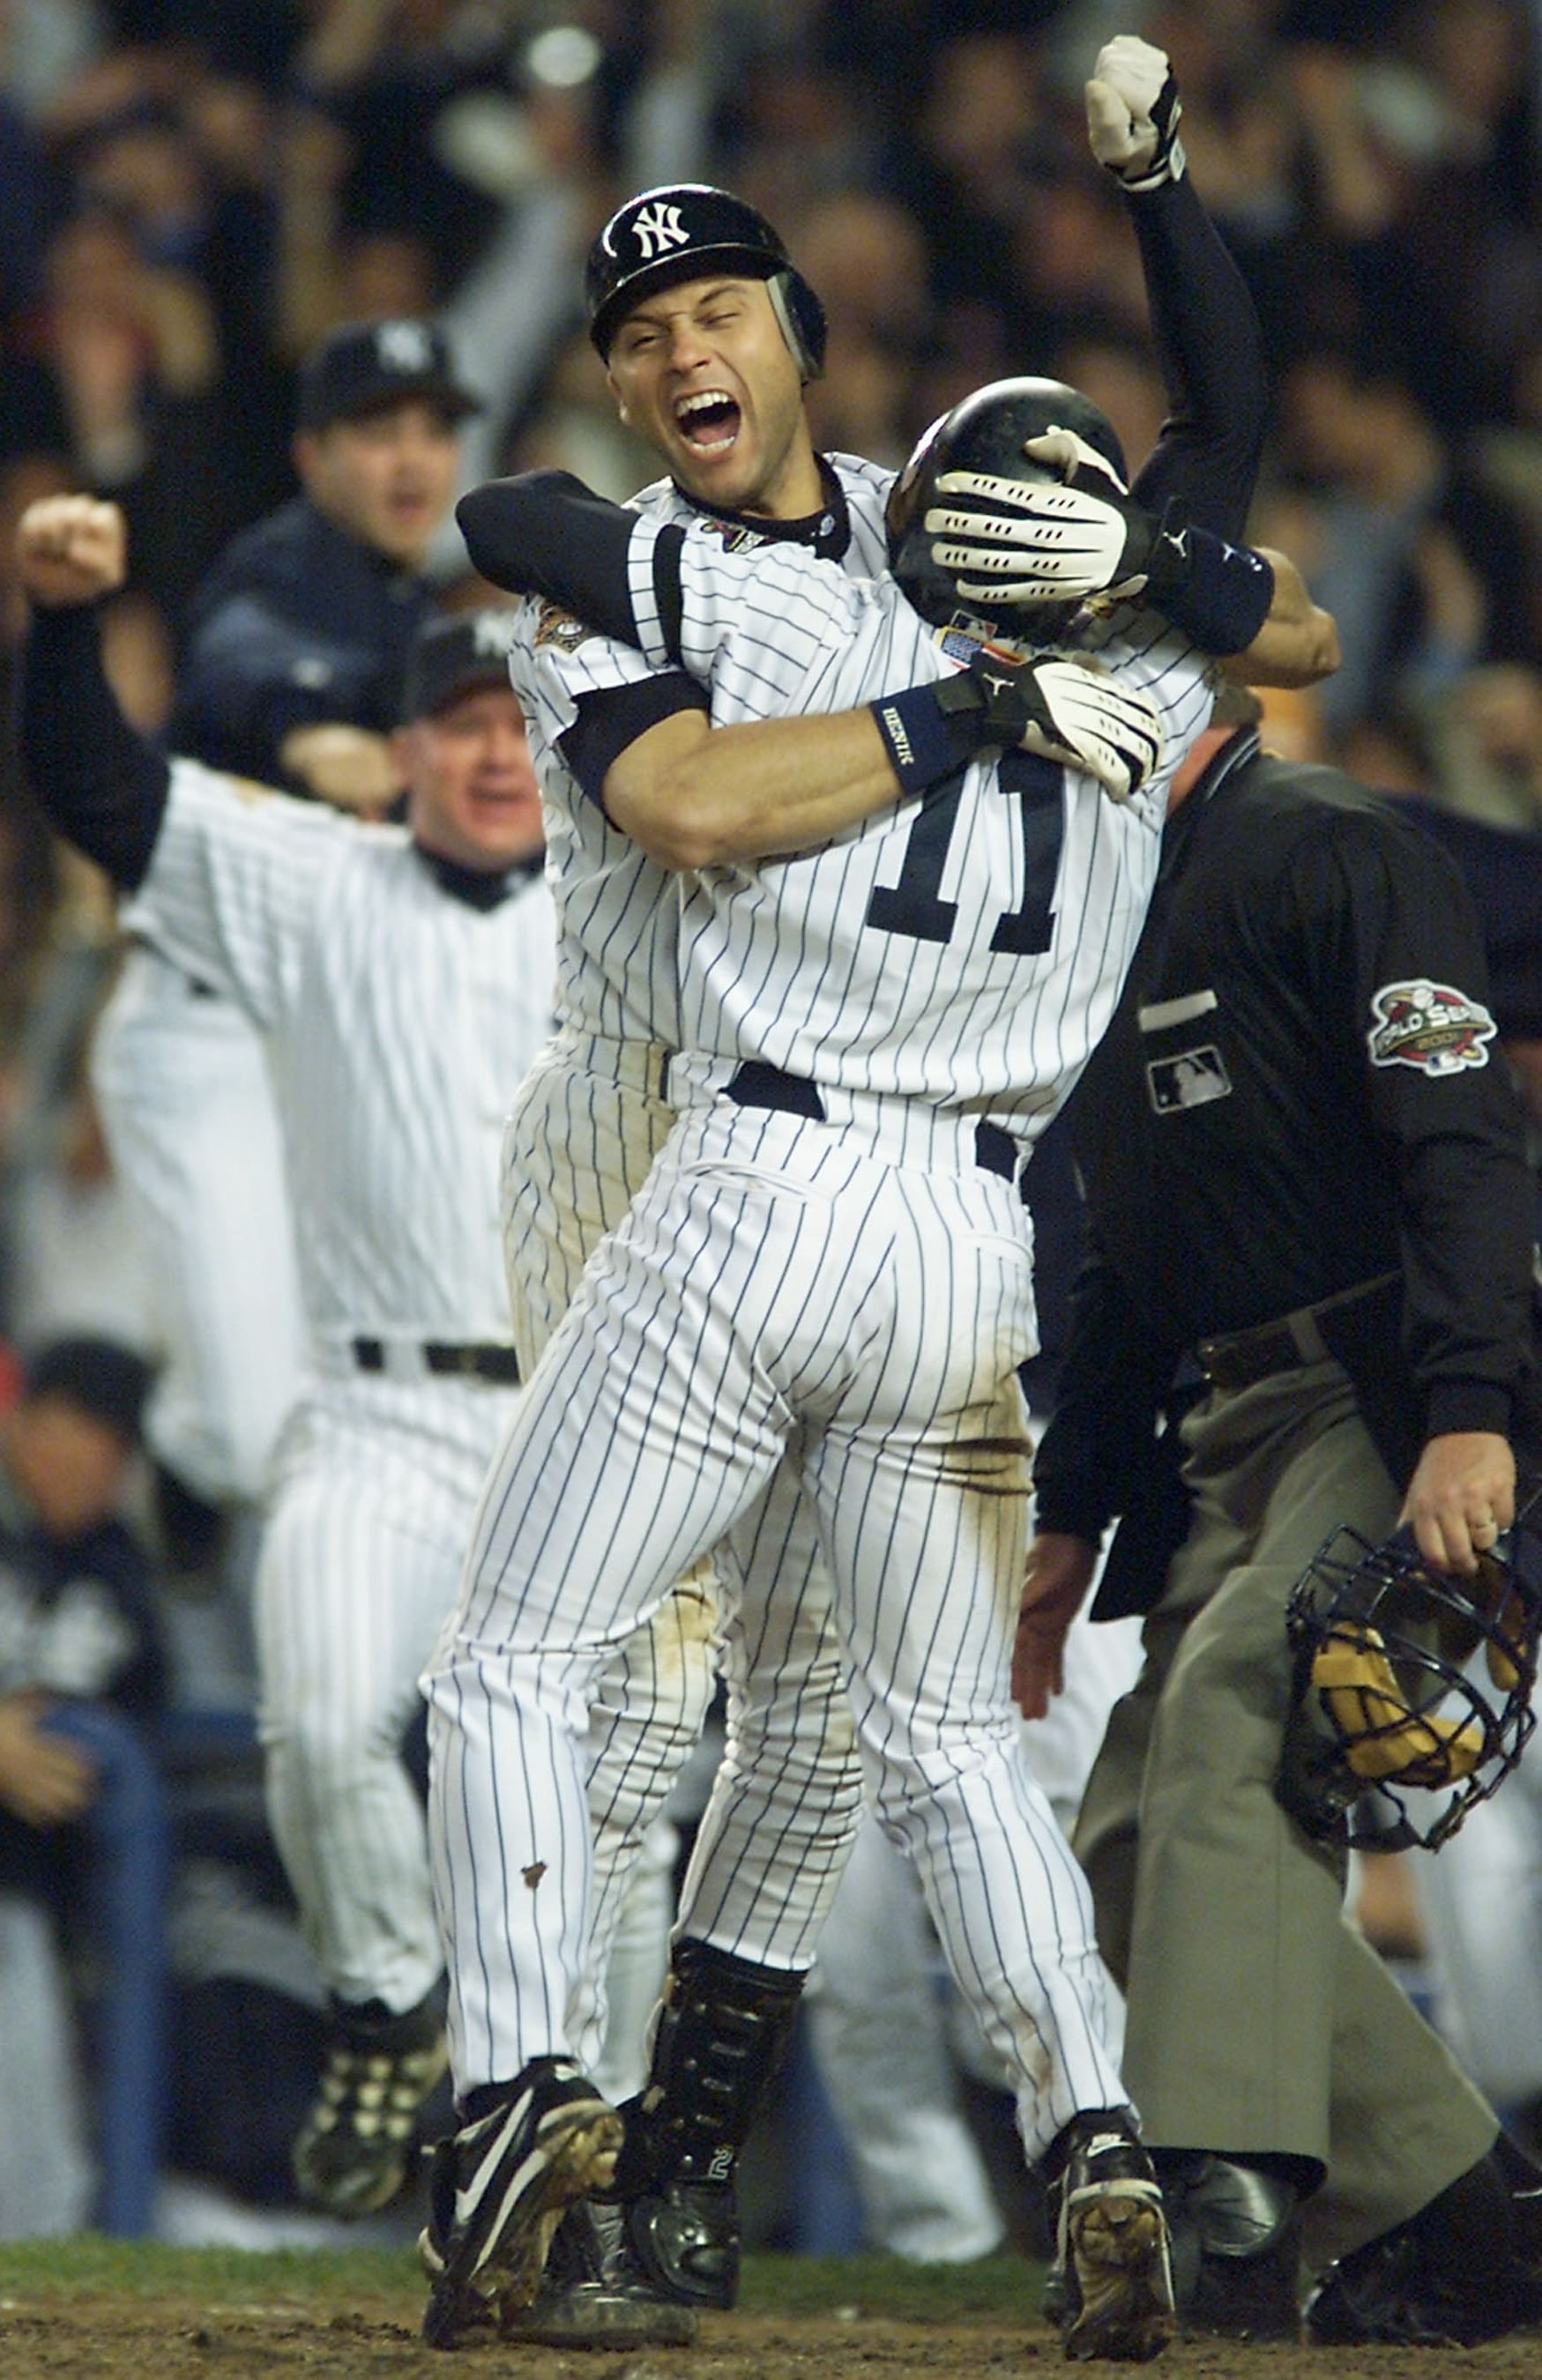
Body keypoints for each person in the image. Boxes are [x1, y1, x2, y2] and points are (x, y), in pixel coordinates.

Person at [439, 32, 1338, 2348]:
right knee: (670, 1712)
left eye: (712, 310)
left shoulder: (865, 553)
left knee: (825, 1711)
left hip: (786, 1137)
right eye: (639, 334)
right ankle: (1013, 2128)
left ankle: (621, 2164)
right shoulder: (841, 598)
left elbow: (1276, 613)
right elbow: (651, 742)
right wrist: (1163, 563)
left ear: (799, 347)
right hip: (669, 1119)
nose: (676, 349)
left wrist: (1154, 560)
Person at [13, 494, 558, 2224]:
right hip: (370, 1416)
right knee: (319, 1726)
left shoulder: (630, 907)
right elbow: (102, 794)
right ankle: (385, 2001)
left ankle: (546, 2152)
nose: (489, 756)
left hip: (571, 1435)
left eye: (514, 726)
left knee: (551, 1821)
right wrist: (61, 631)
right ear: (398, 750)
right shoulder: (315, 879)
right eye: (458, 727)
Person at [1017, 678, 1542, 2347]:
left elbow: (1463, 1143)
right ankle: (1472, 2217)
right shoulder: (1092, 892)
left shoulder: (1325, 845)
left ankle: (1218, 2200)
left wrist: (1469, 1410)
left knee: (1240, 1714)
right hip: (1214, 1422)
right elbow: (1114, 1253)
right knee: (1115, 1843)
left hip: (1374, 1382)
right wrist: (1067, 1518)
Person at [88, 314, 480, 1580]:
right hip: (207, 1034)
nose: (412, 458)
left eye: (433, 428)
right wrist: (310, 732)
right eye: (378, 431)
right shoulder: (278, 571)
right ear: (315, 456)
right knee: (264, 1438)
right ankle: (187, 1436)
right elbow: (236, 664)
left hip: (328, 1046)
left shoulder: (409, 600)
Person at [0, 1330, 170, 2235]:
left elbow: (75, 1746)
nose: (83, 1456)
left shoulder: (119, 1581)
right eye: (67, 1427)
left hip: (32, 1910)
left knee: (35, 2192)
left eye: (106, 1439)